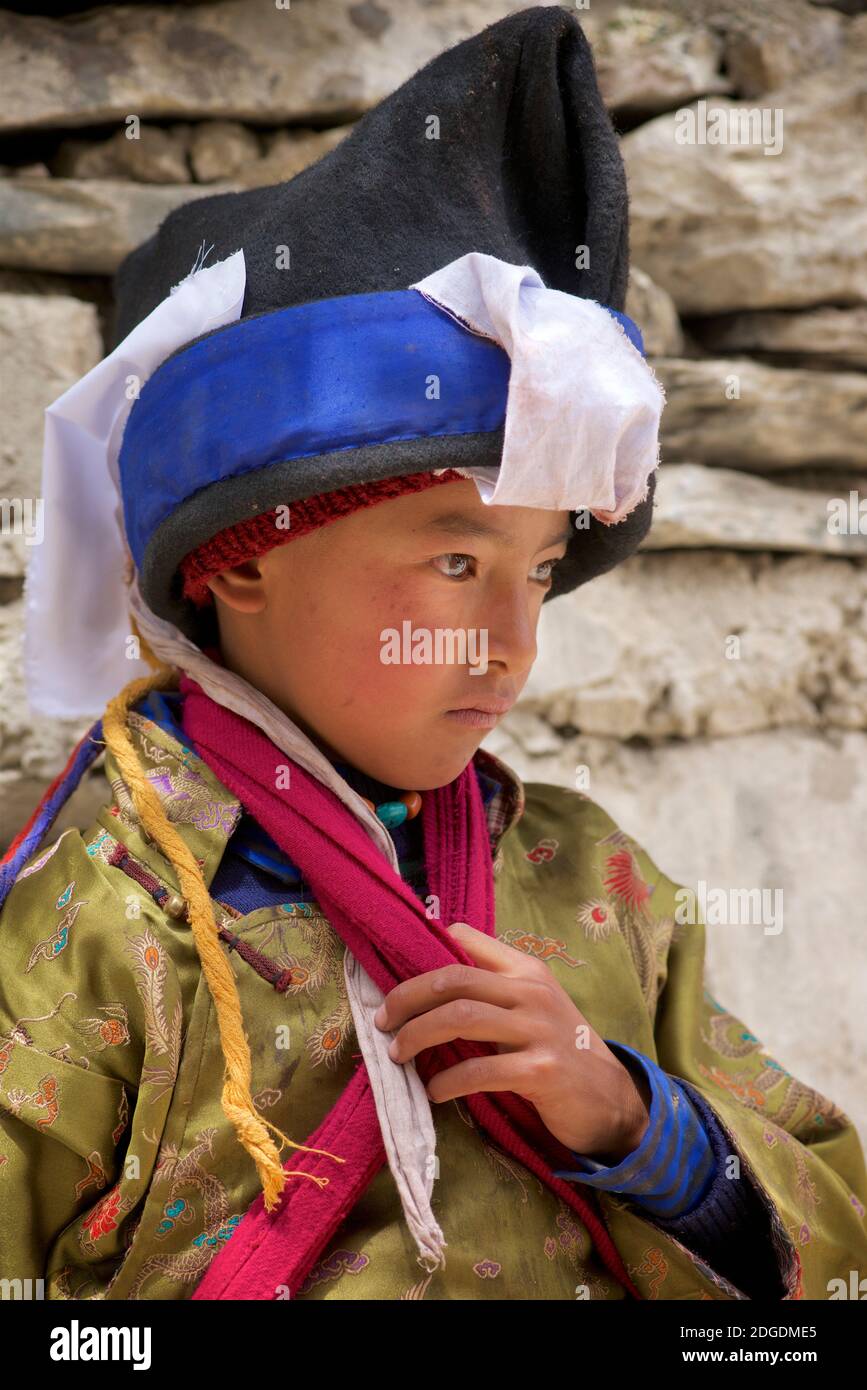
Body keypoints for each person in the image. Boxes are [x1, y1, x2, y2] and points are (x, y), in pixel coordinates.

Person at [1, 6, 865, 1303]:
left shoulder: (598, 882)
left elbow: (833, 1230)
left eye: (536, 571)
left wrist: (638, 1121)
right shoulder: (95, 924)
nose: (515, 641)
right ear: (239, 556)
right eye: (458, 563)